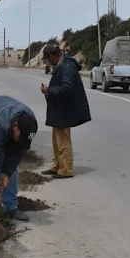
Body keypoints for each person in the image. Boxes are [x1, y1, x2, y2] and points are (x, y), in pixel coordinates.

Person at [40, 44, 91, 179]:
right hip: (59, 110)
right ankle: (58, 166)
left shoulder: (67, 67)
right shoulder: (62, 65)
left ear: (53, 56)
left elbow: (67, 89)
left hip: (64, 111)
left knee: (63, 141)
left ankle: (66, 169)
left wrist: (48, 90)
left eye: (47, 59)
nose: (47, 62)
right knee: (57, 140)